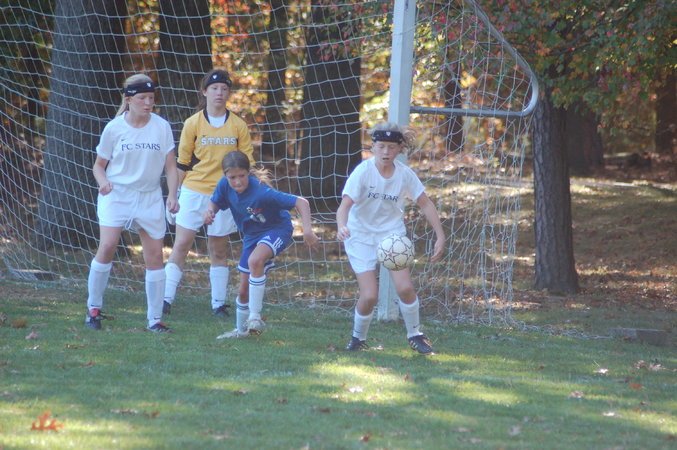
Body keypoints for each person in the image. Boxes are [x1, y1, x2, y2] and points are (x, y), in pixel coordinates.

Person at [336, 122, 445, 354]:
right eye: (381, 146)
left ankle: (416, 335)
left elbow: (425, 203)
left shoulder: (404, 174)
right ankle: (358, 339)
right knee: (369, 296)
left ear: (399, 150)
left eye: (391, 147)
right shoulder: (363, 172)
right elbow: (344, 205)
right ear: (373, 147)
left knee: (405, 288)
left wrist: (440, 235)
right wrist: (341, 225)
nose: (386, 151)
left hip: (391, 235)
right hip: (360, 235)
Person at [85, 74, 179, 332]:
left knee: (155, 256)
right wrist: (103, 182)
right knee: (108, 246)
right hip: (117, 195)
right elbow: (98, 166)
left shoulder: (161, 126)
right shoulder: (114, 128)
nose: (148, 103)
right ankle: (93, 308)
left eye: (151, 98)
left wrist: (172, 195)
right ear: (128, 100)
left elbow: (171, 167)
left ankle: (155, 319)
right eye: (142, 98)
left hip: (149, 197)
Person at [163, 69, 255, 318]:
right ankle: (165, 299)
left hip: (224, 196)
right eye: (214, 88)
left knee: (219, 250)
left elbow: (247, 165)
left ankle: (218, 304)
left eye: (224, 89)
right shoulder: (192, 123)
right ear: (204, 92)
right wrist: (173, 195)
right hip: (194, 191)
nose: (219, 93)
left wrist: (246, 195)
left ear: (229, 93)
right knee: (181, 245)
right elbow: (182, 163)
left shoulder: (238, 125)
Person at [202, 151, 319, 338]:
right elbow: (214, 201)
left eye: (242, 176)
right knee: (243, 291)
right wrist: (209, 211)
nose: (237, 182)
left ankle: (255, 317)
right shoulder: (224, 185)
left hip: (277, 229)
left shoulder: (261, 192)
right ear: (225, 176)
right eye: (232, 177)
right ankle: (241, 332)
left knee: (255, 261)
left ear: (248, 173)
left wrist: (307, 230)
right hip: (251, 235)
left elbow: (301, 202)